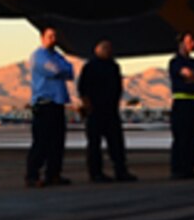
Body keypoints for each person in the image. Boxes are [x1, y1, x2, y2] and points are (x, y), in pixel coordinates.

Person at [77, 40, 134, 182]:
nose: (108, 51)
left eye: (109, 48)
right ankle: (96, 173)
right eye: (104, 48)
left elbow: (117, 87)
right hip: (95, 111)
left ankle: (121, 171)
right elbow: (82, 88)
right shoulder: (90, 67)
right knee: (94, 144)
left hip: (111, 111)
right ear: (97, 49)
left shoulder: (114, 67)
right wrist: (87, 106)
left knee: (116, 143)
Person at [25, 28, 75, 188]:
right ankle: (32, 175)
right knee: (41, 142)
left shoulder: (56, 55)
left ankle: (53, 174)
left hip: (58, 103)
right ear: (42, 38)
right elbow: (56, 70)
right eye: (49, 36)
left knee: (57, 142)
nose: (53, 39)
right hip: (44, 104)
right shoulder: (39, 56)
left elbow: (69, 70)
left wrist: (62, 69)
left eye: (55, 36)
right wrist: (61, 69)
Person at [167, 32, 194, 180]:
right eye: (190, 40)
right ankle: (178, 169)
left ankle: (189, 167)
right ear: (181, 43)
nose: (193, 43)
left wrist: (193, 77)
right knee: (181, 136)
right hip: (182, 103)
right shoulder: (175, 62)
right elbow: (188, 74)